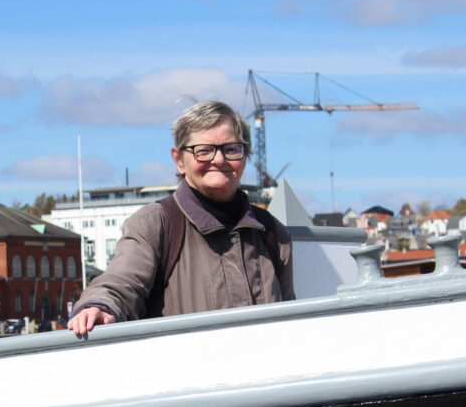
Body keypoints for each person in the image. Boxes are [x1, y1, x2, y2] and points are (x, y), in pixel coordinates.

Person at [67, 100, 295, 337]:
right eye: (203, 150)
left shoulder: (271, 232)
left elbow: (291, 318)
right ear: (178, 160)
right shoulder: (154, 224)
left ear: (245, 155)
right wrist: (99, 306)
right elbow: (121, 282)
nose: (218, 160)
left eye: (231, 149)